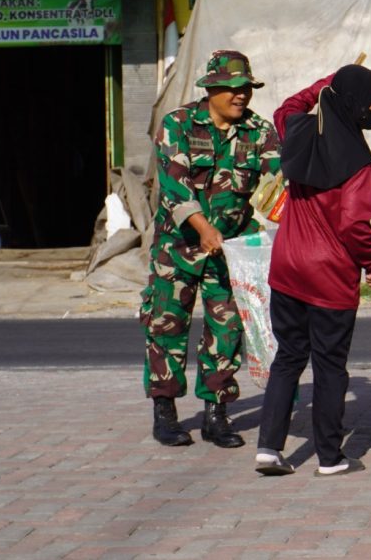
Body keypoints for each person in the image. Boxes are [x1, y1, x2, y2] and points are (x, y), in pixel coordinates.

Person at [254, 64, 371, 477]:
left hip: (288, 269)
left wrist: (322, 85)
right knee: (329, 364)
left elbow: (288, 106)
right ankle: (330, 458)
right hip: (329, 277)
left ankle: (269, 449)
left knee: (289, 358)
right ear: (354, 106)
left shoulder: (298, 133)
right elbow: (353, 225)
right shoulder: (358, 163)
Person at [141, 50, 279, 448]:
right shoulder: (178, 125)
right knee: (167, 326)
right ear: (212, 89)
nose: (242, 96)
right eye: (235, 89)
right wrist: (201, 226)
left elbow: (277, 183)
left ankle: (216, 414)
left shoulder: (259, 131)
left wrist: (287, 218)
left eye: (247, 89)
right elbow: (175, 186)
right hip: (178, 248)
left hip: (230, 251)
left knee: (228, 329)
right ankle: (165, 413)